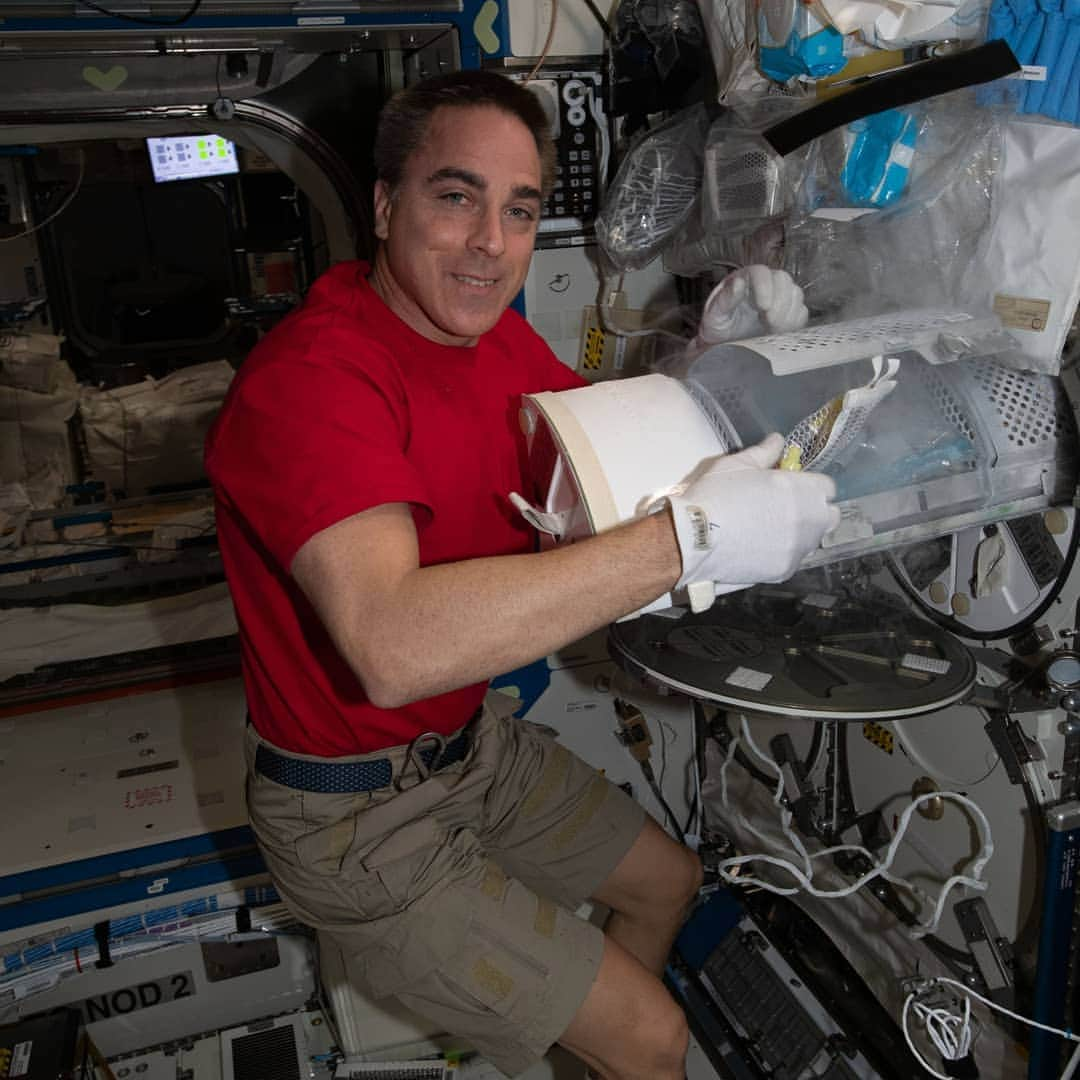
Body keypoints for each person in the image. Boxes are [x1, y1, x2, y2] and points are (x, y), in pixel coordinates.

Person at [205, 69, 838, 1080]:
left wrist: (724, 365)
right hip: (355, 820)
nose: (490, 243)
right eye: (455, 197)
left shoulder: (493, 338)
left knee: (668, 884)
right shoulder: (314, 379)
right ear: (382, 204)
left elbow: (598, 467)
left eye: (520, 209)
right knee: (654, 1037)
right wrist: (691, 539)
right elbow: (393, 643)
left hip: (470, 748)